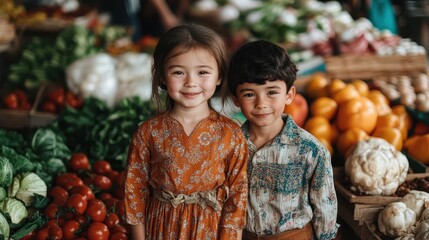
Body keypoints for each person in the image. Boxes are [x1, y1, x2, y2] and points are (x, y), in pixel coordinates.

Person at [123, 23, 249, 240]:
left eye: (202, 72)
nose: (191, 82)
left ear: (219, 76)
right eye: (179, 72)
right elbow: (134, 194)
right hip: (160, 230)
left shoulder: (231, 134)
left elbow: (237, 201)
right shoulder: (148, 133)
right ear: (162, 75)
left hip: (210, 231)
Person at [226, 40, 339, 240]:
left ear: (289, 95)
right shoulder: (229, 146)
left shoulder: (311, 150)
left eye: (271, 92)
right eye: (250, 94)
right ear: (236, 99)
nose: (261, 104)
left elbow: (325, 209)